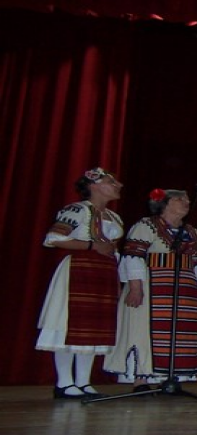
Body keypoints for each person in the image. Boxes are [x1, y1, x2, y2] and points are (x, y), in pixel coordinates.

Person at [103, 188, 197, 391]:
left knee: (178, 333)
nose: (186, 202)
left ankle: (170, 378)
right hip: (151, 288)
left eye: (187, 199)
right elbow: (134, 256)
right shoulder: (146, 226)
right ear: (164, 203)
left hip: (184, 291)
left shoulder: (192, 232)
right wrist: (136, 287)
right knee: (144, 330)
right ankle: (141, 379)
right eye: (179, 199)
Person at [36, 167, 124, 400]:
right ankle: (64, 382)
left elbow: (112, 251)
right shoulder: (76, 210)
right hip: (79, 269)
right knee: (69, 324)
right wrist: (91, 246)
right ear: (94, 185)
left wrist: (117, 279)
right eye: (111, 181)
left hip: (103, 272)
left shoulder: (114, 217)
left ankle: (84, 381)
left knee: (93, 326)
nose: (118, 185)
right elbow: (54, 238)